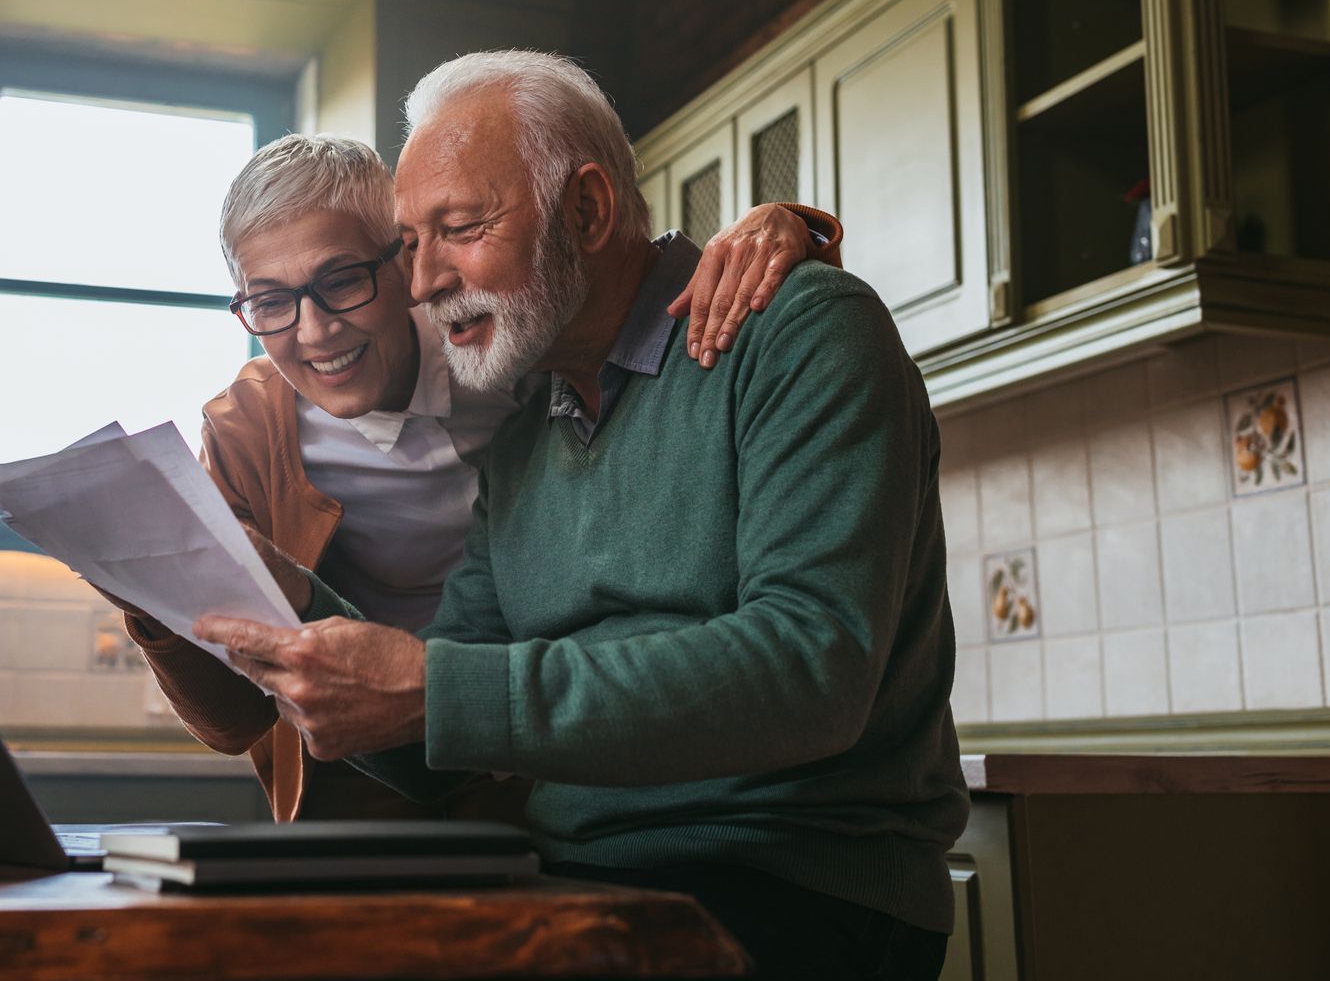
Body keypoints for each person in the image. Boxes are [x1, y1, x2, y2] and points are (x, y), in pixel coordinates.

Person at [196, 51, 967, 981]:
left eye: (462, 229)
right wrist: (286, 602)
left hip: (796, 884)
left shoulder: (799, 331)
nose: (425, 281)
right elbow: (433, 747)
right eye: (411, 243)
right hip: (572, 883)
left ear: (590, 211)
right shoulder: (523, 441)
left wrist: (439, 691)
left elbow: (812, 669)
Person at [116, 132, 843, 822]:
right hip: (367, 777)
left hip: (549, 755)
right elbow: (232, 719)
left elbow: (630, 298)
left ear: (403, 262)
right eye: (270, 301)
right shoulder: (248, 430)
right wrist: (153, 598)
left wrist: (787, 227)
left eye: (342, 281)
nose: (315, 331)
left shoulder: (505, 344)